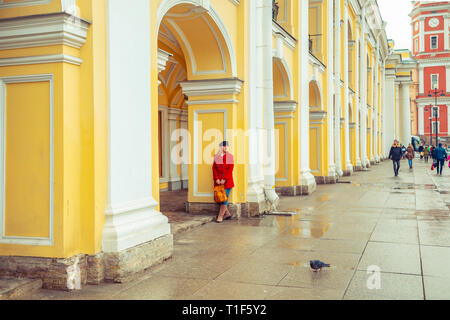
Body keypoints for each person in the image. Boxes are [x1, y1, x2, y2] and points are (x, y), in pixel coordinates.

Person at [212, 141, 234, 223]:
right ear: (220, 148)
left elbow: (230, 170)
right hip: (217, 182)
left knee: (224, 199)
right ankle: (227, 214)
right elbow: (214, 169)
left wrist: (224, 179)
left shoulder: (230, 157)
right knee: (219, 198)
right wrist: (217, 178)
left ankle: (220, 216)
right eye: (223, 146)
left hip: (227, 182)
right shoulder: (216, 157)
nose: (224, 148)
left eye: (226, 146)